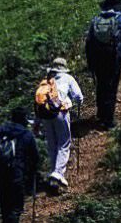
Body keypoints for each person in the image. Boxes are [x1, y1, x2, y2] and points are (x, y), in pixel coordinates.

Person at [85, 0, 121, 129]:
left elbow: (89, 42)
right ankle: (108, 121)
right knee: (111, 86)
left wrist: (90, 61)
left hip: (97, 58)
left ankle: (100, 114)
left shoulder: (96, 20)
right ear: (118, 5)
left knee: (101, 85)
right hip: (113, 57)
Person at [33, 56, 83, 192]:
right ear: (64, 69)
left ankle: (53, 175)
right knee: (64, 143)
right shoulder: (68, 79)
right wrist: (74, 102)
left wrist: (36, 123)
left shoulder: (45, 81)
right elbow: (79, 97)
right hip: (61, 113)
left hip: (46, 117)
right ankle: (58, 173)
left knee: (52, 144)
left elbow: (39, 103)